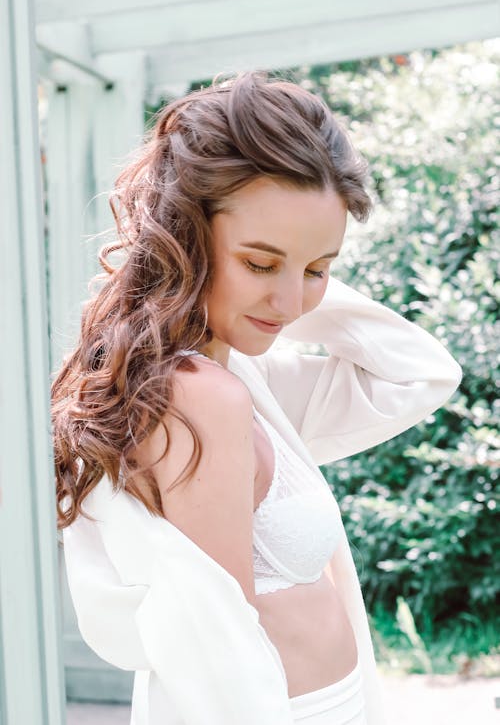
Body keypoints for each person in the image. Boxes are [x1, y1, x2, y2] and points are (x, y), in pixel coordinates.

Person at [52, 71, 462, 725]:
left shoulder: (245, 379)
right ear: (185, 235)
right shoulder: (202, 398)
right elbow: (221, 658)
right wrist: (268, 279)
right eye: (260, 262)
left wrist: (280, 279)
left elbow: (420, 374)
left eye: (319, 270)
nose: (293, 301)